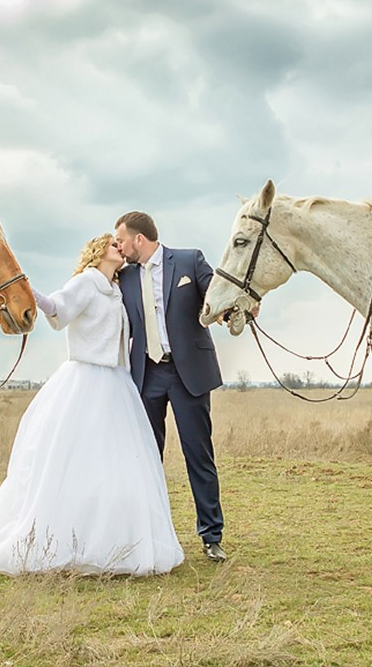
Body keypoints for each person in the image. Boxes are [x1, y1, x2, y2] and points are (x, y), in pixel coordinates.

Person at [0, 233, 185, 576]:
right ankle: (62, 542)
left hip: (117, 383)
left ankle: (114, 542)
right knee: (75, 462)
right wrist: (25, 292)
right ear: (97, 253)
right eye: (113, 245)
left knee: (116, 465)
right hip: (86, 380)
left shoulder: (118, 290)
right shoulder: (87, 282)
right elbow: (57, 308)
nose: (119, 249)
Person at [113, 211, 227, 562]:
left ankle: (211, 535)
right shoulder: (125, 277)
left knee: (199, 456)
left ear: (139, 240)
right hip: (147, 375)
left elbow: (217, 293)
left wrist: (233, 310)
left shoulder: (190, 260)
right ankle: (149, 534)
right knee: (146, 457)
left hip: (188, 373)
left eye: (120, 240)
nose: (117, 246)